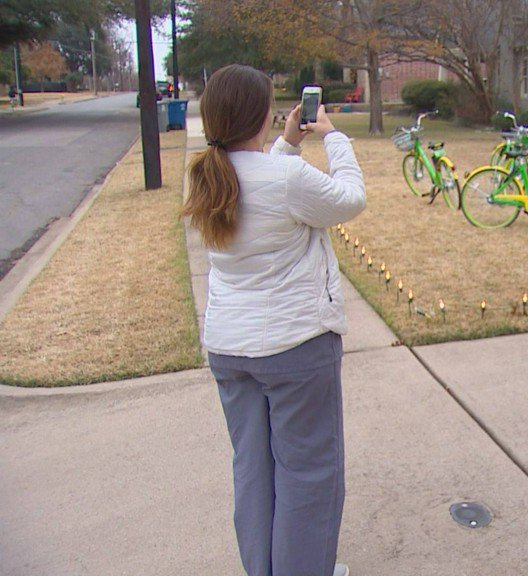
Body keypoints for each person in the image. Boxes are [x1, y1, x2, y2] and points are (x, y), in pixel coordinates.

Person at [182, 64, 365, 576]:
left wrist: (285, 145)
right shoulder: (283, 177)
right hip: (296, 349)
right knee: (309, 475)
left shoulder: (204, 178)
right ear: (261, 114)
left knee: (254, 472)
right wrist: (334, 139)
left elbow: (265, 189)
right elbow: (350, 199)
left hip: (230, 351)